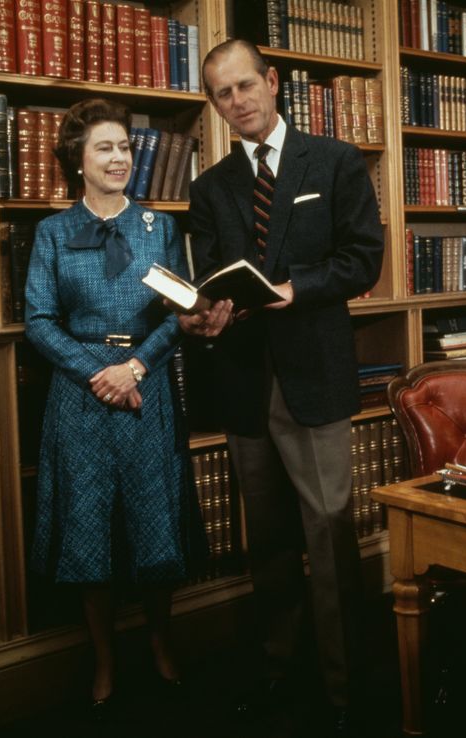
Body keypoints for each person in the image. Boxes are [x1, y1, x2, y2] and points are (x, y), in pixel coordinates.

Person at [179, 39, 384, 736]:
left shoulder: (334, 160)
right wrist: (206, 315)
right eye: (222, 95)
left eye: (245, 87)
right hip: (243, 381)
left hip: (314, 377)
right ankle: (280, 673)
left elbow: (364, 261)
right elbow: (212, 275)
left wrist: (301, 288)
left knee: (328, 535)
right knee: (265, 543)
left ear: (273, 83)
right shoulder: (209, 189)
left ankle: (345, 690)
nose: (237, 102)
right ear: (214, 105)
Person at [24, 98, 204, 719]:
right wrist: (96, 373)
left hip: (145, 389)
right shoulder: (52, 232)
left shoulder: (159, 229)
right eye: (104, 147)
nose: (119, 158)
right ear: (78, 160)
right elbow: (39, 322)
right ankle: (103, 658)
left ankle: (160, 641)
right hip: (79, 397)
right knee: (88, 527)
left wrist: (135, 367)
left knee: (155, 518)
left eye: (125, 147)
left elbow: (182, 313)